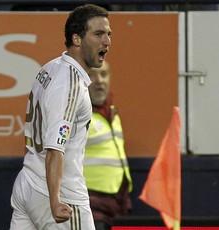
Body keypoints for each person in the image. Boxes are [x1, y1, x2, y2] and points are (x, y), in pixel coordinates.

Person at [9, 4, 112, 230]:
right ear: (76, 39)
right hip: (59, 195)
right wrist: (55, 201)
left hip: (27, 184)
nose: (107, 41)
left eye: (108, 34)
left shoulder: (50, 68)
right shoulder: (70, 85)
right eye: (98, 34)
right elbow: (56, 148)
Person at [84, 61, 133, 230]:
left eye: (104, 74)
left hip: (117, 203)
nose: (99, 81)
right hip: (89, 204)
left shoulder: (112, 113)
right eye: (92, 75)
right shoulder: (75, 116)